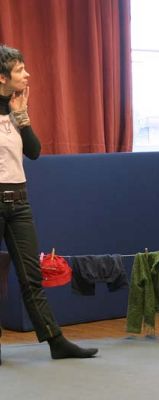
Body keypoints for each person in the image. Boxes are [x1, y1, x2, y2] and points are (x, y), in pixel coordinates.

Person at [0, 44, 98, 364]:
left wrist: (22, 117)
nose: (27, 74)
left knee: (32, 277)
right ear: (2, 78)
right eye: (19, 70)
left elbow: (34, 152)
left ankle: (56, 341)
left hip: (19, 202)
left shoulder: (15, 109)